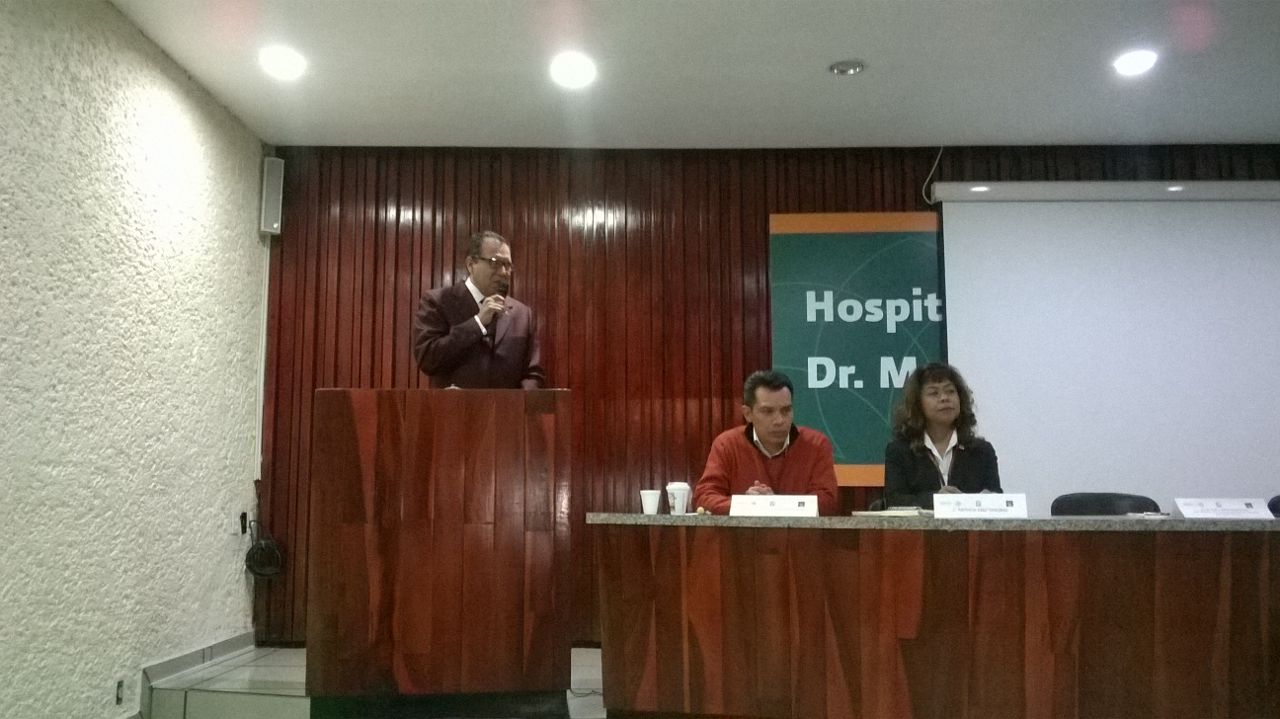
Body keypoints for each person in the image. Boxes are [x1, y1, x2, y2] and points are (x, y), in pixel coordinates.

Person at [692, 370, 839, 516]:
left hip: (798, 532)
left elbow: (828, 502)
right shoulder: (727, 444)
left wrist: (772, 504)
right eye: (768, 411)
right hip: (742, 532)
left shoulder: (816, 444)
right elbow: (703, 497)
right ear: (748, 414)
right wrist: (746, 505)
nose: (779, 420)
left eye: (786, 410)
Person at [412, 230, 545, 389]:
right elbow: (427, 359)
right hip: (455, 404)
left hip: (508, 405)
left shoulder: (522, 314)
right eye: (495, 262)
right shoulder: (438, 302)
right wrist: (477, 323)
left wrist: (519, 401)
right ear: (471, 264)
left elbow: (533, 373)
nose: (504, 272)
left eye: (508, 265)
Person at [883, 362, 1001, 509]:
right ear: (918, 403)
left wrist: (968, 501)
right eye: (934, 393)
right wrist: (937, 500)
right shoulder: (900, 451)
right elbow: (894, 501)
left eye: (950, 391)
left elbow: (998, 501)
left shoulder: (982, 451)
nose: (945, 398)